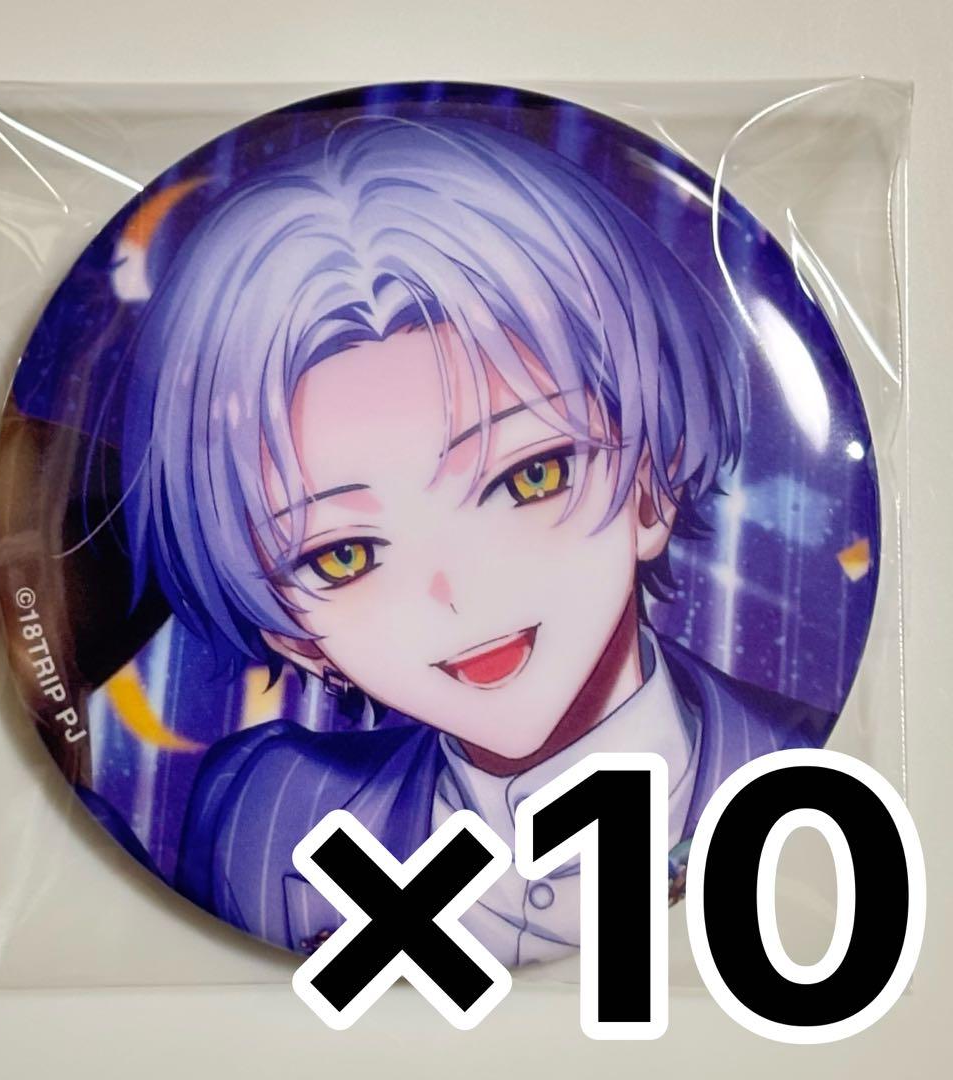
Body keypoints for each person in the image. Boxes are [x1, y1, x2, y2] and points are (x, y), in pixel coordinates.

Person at [113, 116, 833, 966]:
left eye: (529, 478)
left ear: (652, 484)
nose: (456, 593)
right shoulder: (263, 814)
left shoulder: (813, 779)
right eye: (344, 556)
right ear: (294, 634)